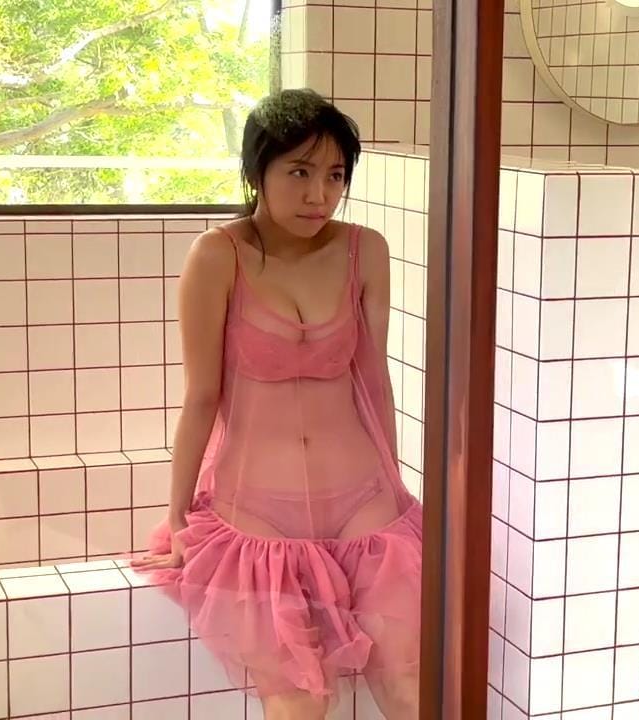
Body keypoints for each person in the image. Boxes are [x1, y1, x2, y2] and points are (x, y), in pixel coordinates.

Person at [131, 89, 422, 720]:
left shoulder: (364, 249)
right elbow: (201, 396)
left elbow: (374, 380)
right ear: (256, 170)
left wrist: (395, 486)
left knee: (409, 687)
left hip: (363, 499)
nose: (319, 195)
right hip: (256, 506)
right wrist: (178, 517)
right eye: (299, 172)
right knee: (297, 700)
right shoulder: (219, 254)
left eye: (335, 176)